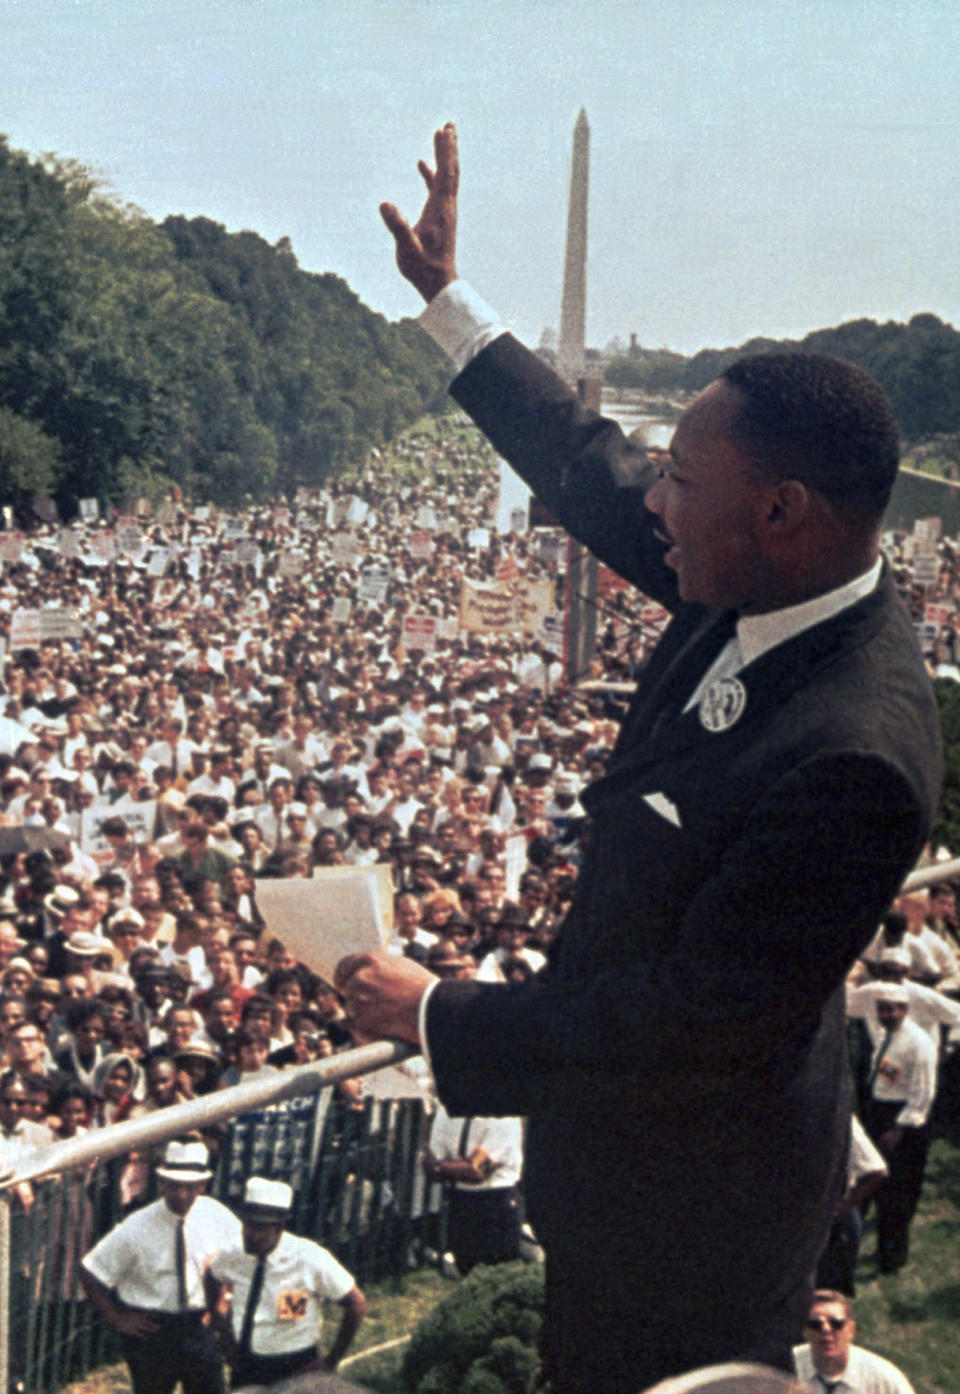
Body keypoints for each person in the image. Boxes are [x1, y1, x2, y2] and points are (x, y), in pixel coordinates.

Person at [335, 124, 943, 1393]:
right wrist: (452, 305)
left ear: (781, 512)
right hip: (635, 1170)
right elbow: (585, 464)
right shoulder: (761, 576)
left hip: (699, 1218)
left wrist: (442, 1014)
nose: (649, 503)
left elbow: (687, 1026)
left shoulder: (854, 758)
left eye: (680, 477)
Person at [79, 1139, 241, 1394]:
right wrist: (117, 1317)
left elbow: (241, 1260)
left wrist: (224, 1301)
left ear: (202, 1186)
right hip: (152, 1331)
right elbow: (90, 1270)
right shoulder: (137, 1226)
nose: (181, 1194)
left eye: (189, 1187)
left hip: (200, 1325)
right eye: (174, 1186)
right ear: (162, 1183)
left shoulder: (218, 1217)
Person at [208, 1176, 365, 1388]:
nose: (249, 1234)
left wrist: (331, 1361)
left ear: (279, 1227)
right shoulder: (234, 1253)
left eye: (259, 1228)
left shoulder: (308, 1257)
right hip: (246, 1361)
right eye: (247, 1224)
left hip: (296, 1363)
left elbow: (356, 1303)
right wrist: (221, 1324)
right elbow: (212, 1277)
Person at [423, 1102, 523, 1275]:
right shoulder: (446, 1111)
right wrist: (451, 1168)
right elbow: (430, 1169)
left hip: (496, 1204)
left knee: (498, 1277)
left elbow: (475, 1171)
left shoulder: (504, 1116)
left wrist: (440, 1167)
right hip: (460, 1202)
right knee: (467, 1275)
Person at [793, 1290, 915, 1392]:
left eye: (836, 1323)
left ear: (851, 1330)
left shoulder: (884, 1381)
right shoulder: (786, 1366)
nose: (826, 1330)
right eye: (815, 1324)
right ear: (805, 1331)